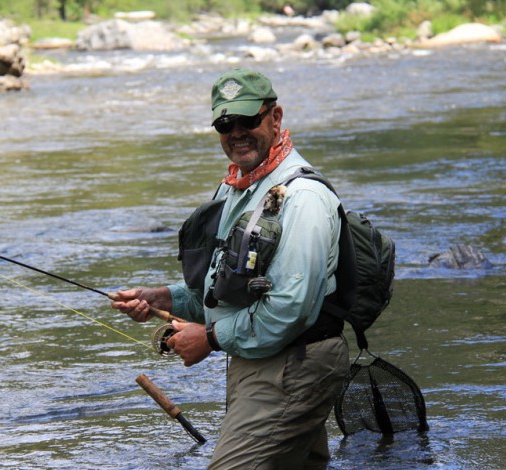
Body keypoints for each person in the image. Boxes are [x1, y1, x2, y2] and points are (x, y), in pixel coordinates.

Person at [111, 68, 349, 469]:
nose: (236, 132)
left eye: (248, 121)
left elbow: (291, 309)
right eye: (225, 123)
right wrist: (164, 298)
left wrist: (209, 338)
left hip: (294, 365)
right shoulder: (237, 187)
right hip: (260, 359)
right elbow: (226, 288)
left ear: (275, 118)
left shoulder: (303, 198)